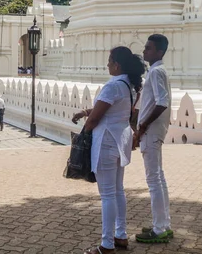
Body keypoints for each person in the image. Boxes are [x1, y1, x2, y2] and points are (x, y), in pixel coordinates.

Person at [72, 46, 145, 254]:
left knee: (107, 195)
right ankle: (120, 236)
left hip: (106, 142)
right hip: (119, 140)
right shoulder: (130, 86)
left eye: (109, 61)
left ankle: (106, 244)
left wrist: (84, 132)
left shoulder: (113, 86)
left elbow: (96, 118)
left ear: (117, 64)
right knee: (117, 190)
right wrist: (86, 112)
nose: (107, 65)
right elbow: (111, 111)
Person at [133, 35, 173, 244]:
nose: (144, 52)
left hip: (152, 131)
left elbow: (162, 102)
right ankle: (163, 224)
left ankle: (159, 229)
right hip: (156, 130)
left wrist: (144, 124)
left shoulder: (156, 71)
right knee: (159, 177)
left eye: (148, 48)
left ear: (159, 52)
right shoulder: (158, 71)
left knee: (153, 180)